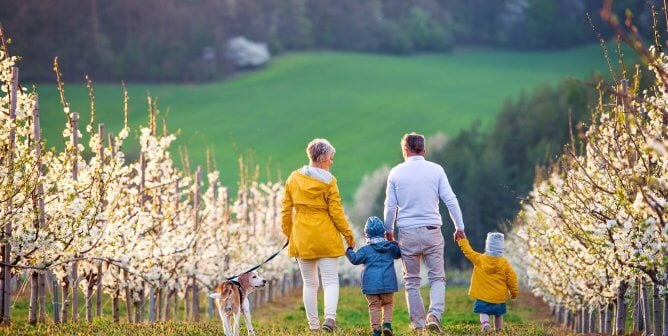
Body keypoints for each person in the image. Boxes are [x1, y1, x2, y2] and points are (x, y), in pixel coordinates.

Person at [383, 132, 466, 333]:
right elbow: (451, 200)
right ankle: (434, 315)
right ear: (424, 150)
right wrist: (459, 227)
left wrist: (388, 230)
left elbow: (390, 205)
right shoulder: (436, 170)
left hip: (407, 234)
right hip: (432, 231)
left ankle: (419, 326)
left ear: (405, 150)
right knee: (437, 277)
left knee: (412, 280)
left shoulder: (396, 172)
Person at [281, 138, 355, 333]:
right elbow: (336, 212)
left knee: (310, 283)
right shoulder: (329, 181)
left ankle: (313, 327)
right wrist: (348, 234)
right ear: (322, 158)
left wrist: (289, 234)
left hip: (303, 236)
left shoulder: (293, 178)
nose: (332, 162)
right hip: (326, 236)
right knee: (330, 280)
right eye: (331, 158)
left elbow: (286, 211)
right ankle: (329, 318)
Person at [345, 216, 402, 336]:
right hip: (388, 284)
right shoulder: (390, 247)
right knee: (388, 304)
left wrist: (349, 250)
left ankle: (376, 330)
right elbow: (399, 253)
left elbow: (355, 259)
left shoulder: (365, 250)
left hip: (370, 285)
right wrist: (395, 242)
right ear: (383, 233)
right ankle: (387, 324)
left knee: (374, 307)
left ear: (367, 235)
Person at [454, 232, 518, 332]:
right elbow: (512, 278)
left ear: (487, 245)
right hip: (498, 297)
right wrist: (513, 292)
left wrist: (462, 240)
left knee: (483, 312)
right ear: (501, 248)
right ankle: (499, 330)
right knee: (498, 315)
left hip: (483, 296)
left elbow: (468, 251)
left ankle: (485, 324)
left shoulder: (479, 259)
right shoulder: (505, 263)